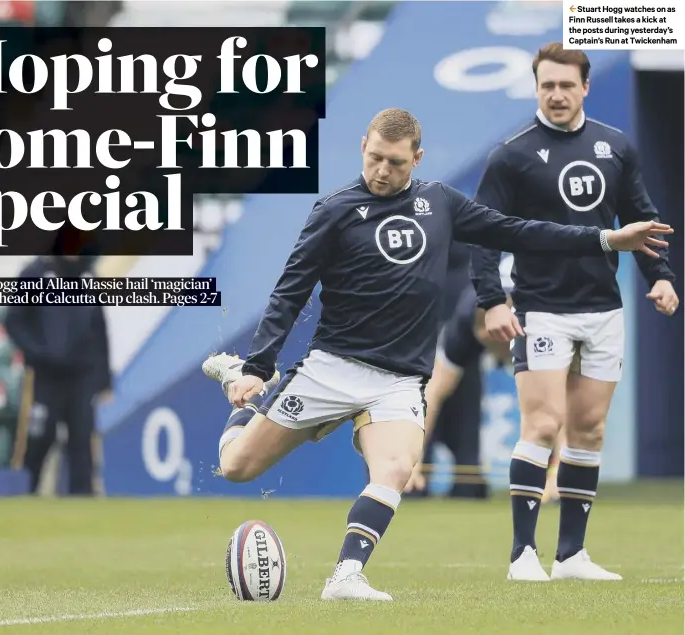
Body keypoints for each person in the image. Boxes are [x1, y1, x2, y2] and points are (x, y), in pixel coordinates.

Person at [202, 108, 671, 601]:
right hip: (331, 368)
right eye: (376, 158)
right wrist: (257, 367)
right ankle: (247, 395)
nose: (383, 171)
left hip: (399, 380)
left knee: (397, 469)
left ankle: (346, 576)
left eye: (397, 163)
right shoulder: (333, 211)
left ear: (417, 159)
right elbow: (289, 293)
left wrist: (602, 237)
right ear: (363, 145)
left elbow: (519, 230)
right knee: (237, 467)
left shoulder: (440, 202)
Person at [469, 43, 679, 582]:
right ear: (536, 88)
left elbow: (641, 219)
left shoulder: (616, 146)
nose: (556, 94)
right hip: (541, 309)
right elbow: (483, 235)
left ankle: (570, 556)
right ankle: (522, 555)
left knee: (588, 430)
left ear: (585, 87)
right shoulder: (510, 155)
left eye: (566, 85)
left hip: (603, 308)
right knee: (542, 423)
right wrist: (493, 299)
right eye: (547, 85)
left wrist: (661, 280)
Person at [404, 256, 516, 495]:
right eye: (486, 339)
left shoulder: (541, 316)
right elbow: (432, 396)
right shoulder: (463, 324)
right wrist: (413, 459)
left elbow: (563, 396)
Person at [6, 254, 112, 496]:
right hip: (45, 375)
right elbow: (14, 320)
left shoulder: (88, 277)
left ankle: (83, 497)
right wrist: (37, 352)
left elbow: (99, 331)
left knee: (82, 439)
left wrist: (104, 379)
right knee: (39, 436)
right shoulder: (35, 274)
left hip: (82, 376)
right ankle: (24, 494)